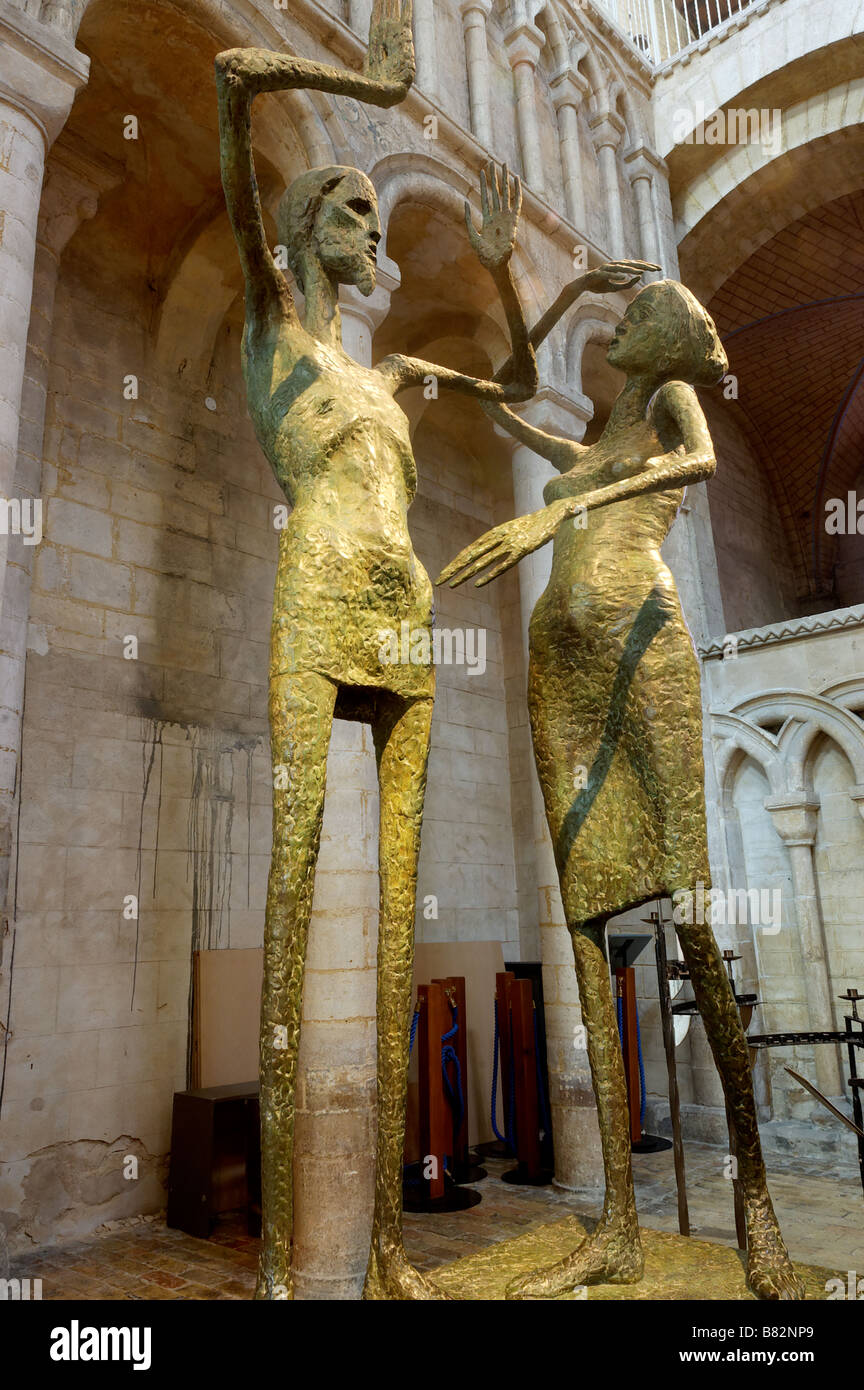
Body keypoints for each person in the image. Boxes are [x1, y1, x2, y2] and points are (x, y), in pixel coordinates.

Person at [439, 279, 803, 1300]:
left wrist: (572, 512)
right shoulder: (602, 432)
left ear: (669, 337)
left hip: (646, 650)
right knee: (587, 922)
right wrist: (494, 330)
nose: (628, 323)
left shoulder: (669, 405)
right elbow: (524, 417)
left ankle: (756, 1210)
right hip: (562, 667)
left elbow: (703, 461)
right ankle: (616, 1232)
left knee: (689, 913)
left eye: (643, 313)